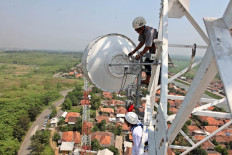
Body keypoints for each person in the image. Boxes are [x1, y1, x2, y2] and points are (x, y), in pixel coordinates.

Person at [128, 16, 158, 85]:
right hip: (152, 49)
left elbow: (148, 46)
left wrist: (140, 55)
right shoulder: (142, 33)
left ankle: (150, 80)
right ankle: (148, 79)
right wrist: (133, 52)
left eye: (138, 30)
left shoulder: (150, 31)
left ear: (142, 27)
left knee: (151, 62)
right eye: (136, 30)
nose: (137, 32)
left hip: (157, 49)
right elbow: (141, 43)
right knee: (147, 62)